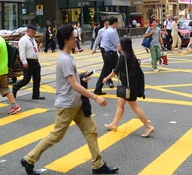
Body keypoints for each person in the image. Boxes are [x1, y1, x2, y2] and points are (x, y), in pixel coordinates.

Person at [20, 24, 119, 175]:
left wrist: (81, 76)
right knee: (56, 136)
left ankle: (98, 165)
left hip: (76, 103)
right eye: (74, 37)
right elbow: (73, 85)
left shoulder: (68, 57)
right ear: (66, 40)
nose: (76, 40)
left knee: (91, 131)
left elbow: (73, 80)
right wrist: (95, 97)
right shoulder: (64, 59)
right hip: (67, 105)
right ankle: (29, 159)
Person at [102, 36, 154, 138]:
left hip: (128, 85)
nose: (117, 45)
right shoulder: (130, 55)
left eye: (119, 44)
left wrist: (106, 78)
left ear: (123, 46)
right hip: (130, 84)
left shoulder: (123, 56)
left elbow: (116, 71)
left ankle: (148, 126)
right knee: (120, 104)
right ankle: (114, 124)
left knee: (134, 106)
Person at [12, 25, 44, 100]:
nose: (34, 34)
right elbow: (22, 52)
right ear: (28, 31)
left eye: (35, 32)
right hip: (27, 61)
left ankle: (36, 94)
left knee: (37, 78)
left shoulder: (33, 39)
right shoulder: (23, 40)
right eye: (32, 32)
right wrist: (24, 61)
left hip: (35, 61)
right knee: (26, 79)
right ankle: (15, 88)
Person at [93, 18, 120, 96]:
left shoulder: (107, 31)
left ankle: (97, 89)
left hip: (107, 53)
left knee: (105, 72)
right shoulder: (112, 32)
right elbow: (116, 43)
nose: (118, 24)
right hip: (111, 54)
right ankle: (128, 86)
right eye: (117, 23)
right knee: (119, 69)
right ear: (114, 23)